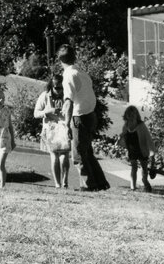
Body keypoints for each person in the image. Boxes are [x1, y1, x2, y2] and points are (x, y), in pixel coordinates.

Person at [58, 43, 110, 192]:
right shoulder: (82, 73)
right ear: (74, 57)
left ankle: (88, 184)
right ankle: (100, 182)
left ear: (59, 60)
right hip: (91, 115)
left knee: (78, 154)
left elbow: (68, 102)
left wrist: (66, 124)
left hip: (79, 116)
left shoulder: (68, 75)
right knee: (87, 152)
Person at [34, 74, 70, 188]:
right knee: (54, 156)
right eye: (57, 88)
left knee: (64, 156)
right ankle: (57, 184)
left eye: (61, 88)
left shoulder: (67, 97)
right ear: (51, 86)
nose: (59, 90)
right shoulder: (45, 96)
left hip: (64, 128)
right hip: (50, 129)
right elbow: (36, 113)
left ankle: (65, 182)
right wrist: (47, 111)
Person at [119, 105, 155, 192]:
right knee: (133, 167)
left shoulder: (141, 125)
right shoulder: (126, 125)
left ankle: (145, 181)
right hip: (132, 150)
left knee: (144, 168)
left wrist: (152, 151)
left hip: (142, 150)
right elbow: (123, 135)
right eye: (129, 115)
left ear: (136, 115)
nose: (131, 117)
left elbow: (148, 137)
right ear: (126, 115)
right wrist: (120, 139)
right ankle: (133, 187)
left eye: (133, 115)